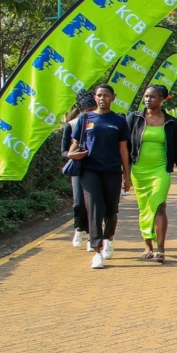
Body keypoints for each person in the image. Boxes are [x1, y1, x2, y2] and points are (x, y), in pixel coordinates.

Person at [66, 84, 130, 269]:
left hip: (111, 171)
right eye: (99, 95)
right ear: (95, 98)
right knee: (94, 209)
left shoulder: (119, 121)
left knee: (111, 210)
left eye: (106, 95)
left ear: (113, 98)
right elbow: (75, 143)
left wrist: (127, 175)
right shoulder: (85, 118)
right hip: (90, 170)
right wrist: (70, 155)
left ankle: (109, 237)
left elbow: (123, 149)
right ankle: (97, 251)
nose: (103, 98)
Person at [127, 85, 177, 263]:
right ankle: (148, 245)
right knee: (144, 207)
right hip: (139, 170)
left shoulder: (170, 122)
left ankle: (160, 249)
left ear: (162, 99)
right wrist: (123, 172)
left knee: (159, 204)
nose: (148, 100)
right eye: (146, 96)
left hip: (161, 169)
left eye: (152, 97)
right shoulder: (135, 118)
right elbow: (124, 145)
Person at [63, 90, 97, 250]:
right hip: (78, 168)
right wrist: (73, 155)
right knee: (78, 202)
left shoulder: (99, 122)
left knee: (93, 203)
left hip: (96, 168)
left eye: (92, 110)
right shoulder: (71, 125)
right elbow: (64, 151)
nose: (90, 113)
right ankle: (79, 228)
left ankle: (93, 236)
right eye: (87, 111)